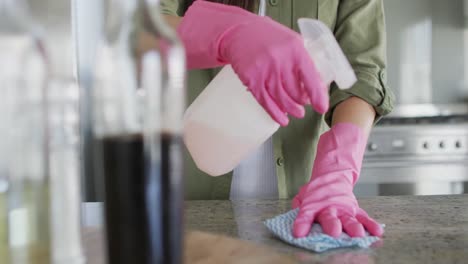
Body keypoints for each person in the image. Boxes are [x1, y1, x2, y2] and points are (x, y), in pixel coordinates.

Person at [155, 0, 394, 238]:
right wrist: (226, 34)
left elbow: (362, 74)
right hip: (186, 197)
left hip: (298, 205)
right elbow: (141, 23)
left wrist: (339, 167)